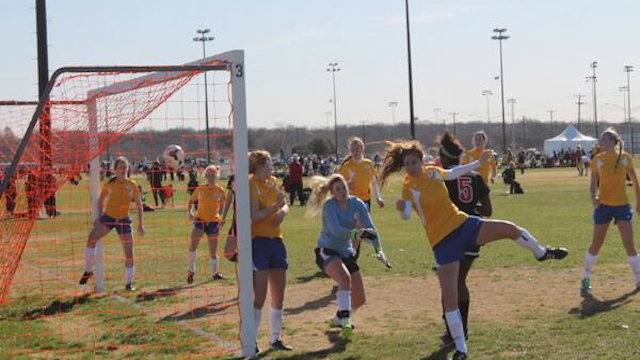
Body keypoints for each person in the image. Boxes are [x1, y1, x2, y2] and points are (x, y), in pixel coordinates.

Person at [379, 140, 568, 360]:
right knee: (450, 298)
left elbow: (452, 173)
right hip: (442, 241)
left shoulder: (432, 172)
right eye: (407, 163)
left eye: (414, 161)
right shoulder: (408, 186)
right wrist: (403, 210)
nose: (411, 166)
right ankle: (461, 349)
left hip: (463, 224)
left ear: (422, 161)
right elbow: (408, 215)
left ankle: (541, 253)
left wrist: (477, 163)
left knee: (509, 228)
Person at [306, 174, 391, 339]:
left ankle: (337, 318)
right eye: (337, 189)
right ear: (332, 192)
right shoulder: (330, 206)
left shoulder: (357, 204)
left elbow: (371, 230)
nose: (342, 191)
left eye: (343, 187)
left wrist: (379, 250)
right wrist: (356, 233)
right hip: (327, 250)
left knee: (359, 300)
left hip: (345, 252)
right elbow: (336, 231)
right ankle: (346, 320)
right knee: (344, 278)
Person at [437, 131, 492, 346]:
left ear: (443, 158)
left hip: (449, 233)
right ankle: (460, 327)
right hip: (473, 232)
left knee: (450, 283)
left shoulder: (442, 178)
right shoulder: (476, 176)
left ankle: (456, 330)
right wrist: (471, 209)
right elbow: (488, 210)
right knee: (460, 281)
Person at [581, 127, 640, 293]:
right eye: (601, 139)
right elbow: (593, 184)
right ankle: (585, 278)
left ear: (614, 141)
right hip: (604, 207)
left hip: (622, 206)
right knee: (596, 244)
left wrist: (639, 202)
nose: (602, 142)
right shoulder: (597, 159)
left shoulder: (625, 158)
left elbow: (635, 181)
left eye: (606, 139)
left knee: (629, 244)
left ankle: (638, 279)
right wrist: (593, 197)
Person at [79, 157, 144, 291]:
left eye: (124, 167)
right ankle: (88, 270)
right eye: (119, 167)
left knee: (129, 252)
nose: (122, 170)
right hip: (108, 218)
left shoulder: (132, 185)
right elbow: (101, 200)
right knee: (91, 238)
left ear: (128, 169)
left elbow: (139, 204)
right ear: (115, 170)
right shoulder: (109, 184)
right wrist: (99, 216)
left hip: (124, 220)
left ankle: (129, 283)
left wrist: (140, 224)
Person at [248, 150, 292, 352]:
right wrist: (276, 207)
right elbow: (255, 216)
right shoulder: (250, 183)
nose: (271, 169)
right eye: (268, 165)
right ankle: (251, 341)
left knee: (279, 294)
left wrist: (281, 213)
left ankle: (275, 339)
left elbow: (285, 204)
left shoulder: (273, 182)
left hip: (276, 241)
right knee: (259, 296)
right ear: (258, 167)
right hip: (258, 242)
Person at [186, 165, 226, 283]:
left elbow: (223, 206)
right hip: (200, 221)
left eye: (212, 175)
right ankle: (190, 270)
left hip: (213, 222)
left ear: (216, 176)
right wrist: (190, 213)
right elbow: (190, 202)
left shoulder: (220, 190)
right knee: (193, 245)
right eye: (208, 174)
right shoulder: (200, 189)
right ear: (205, 175)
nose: (210, 177)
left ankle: (215, 273)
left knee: (213, 250)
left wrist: (220, 218)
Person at [338, 137, 384, 211]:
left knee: (365, 222)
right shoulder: (346, 166)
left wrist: (378, 198)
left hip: (366, 199)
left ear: (362, 149)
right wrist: (347, 185)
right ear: (350, 151)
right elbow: (340, 184)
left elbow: (374, 182)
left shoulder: (369, 164)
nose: (355, 152)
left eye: (357, 149)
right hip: (351, 200)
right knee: (354, 222)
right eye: (353, 150)